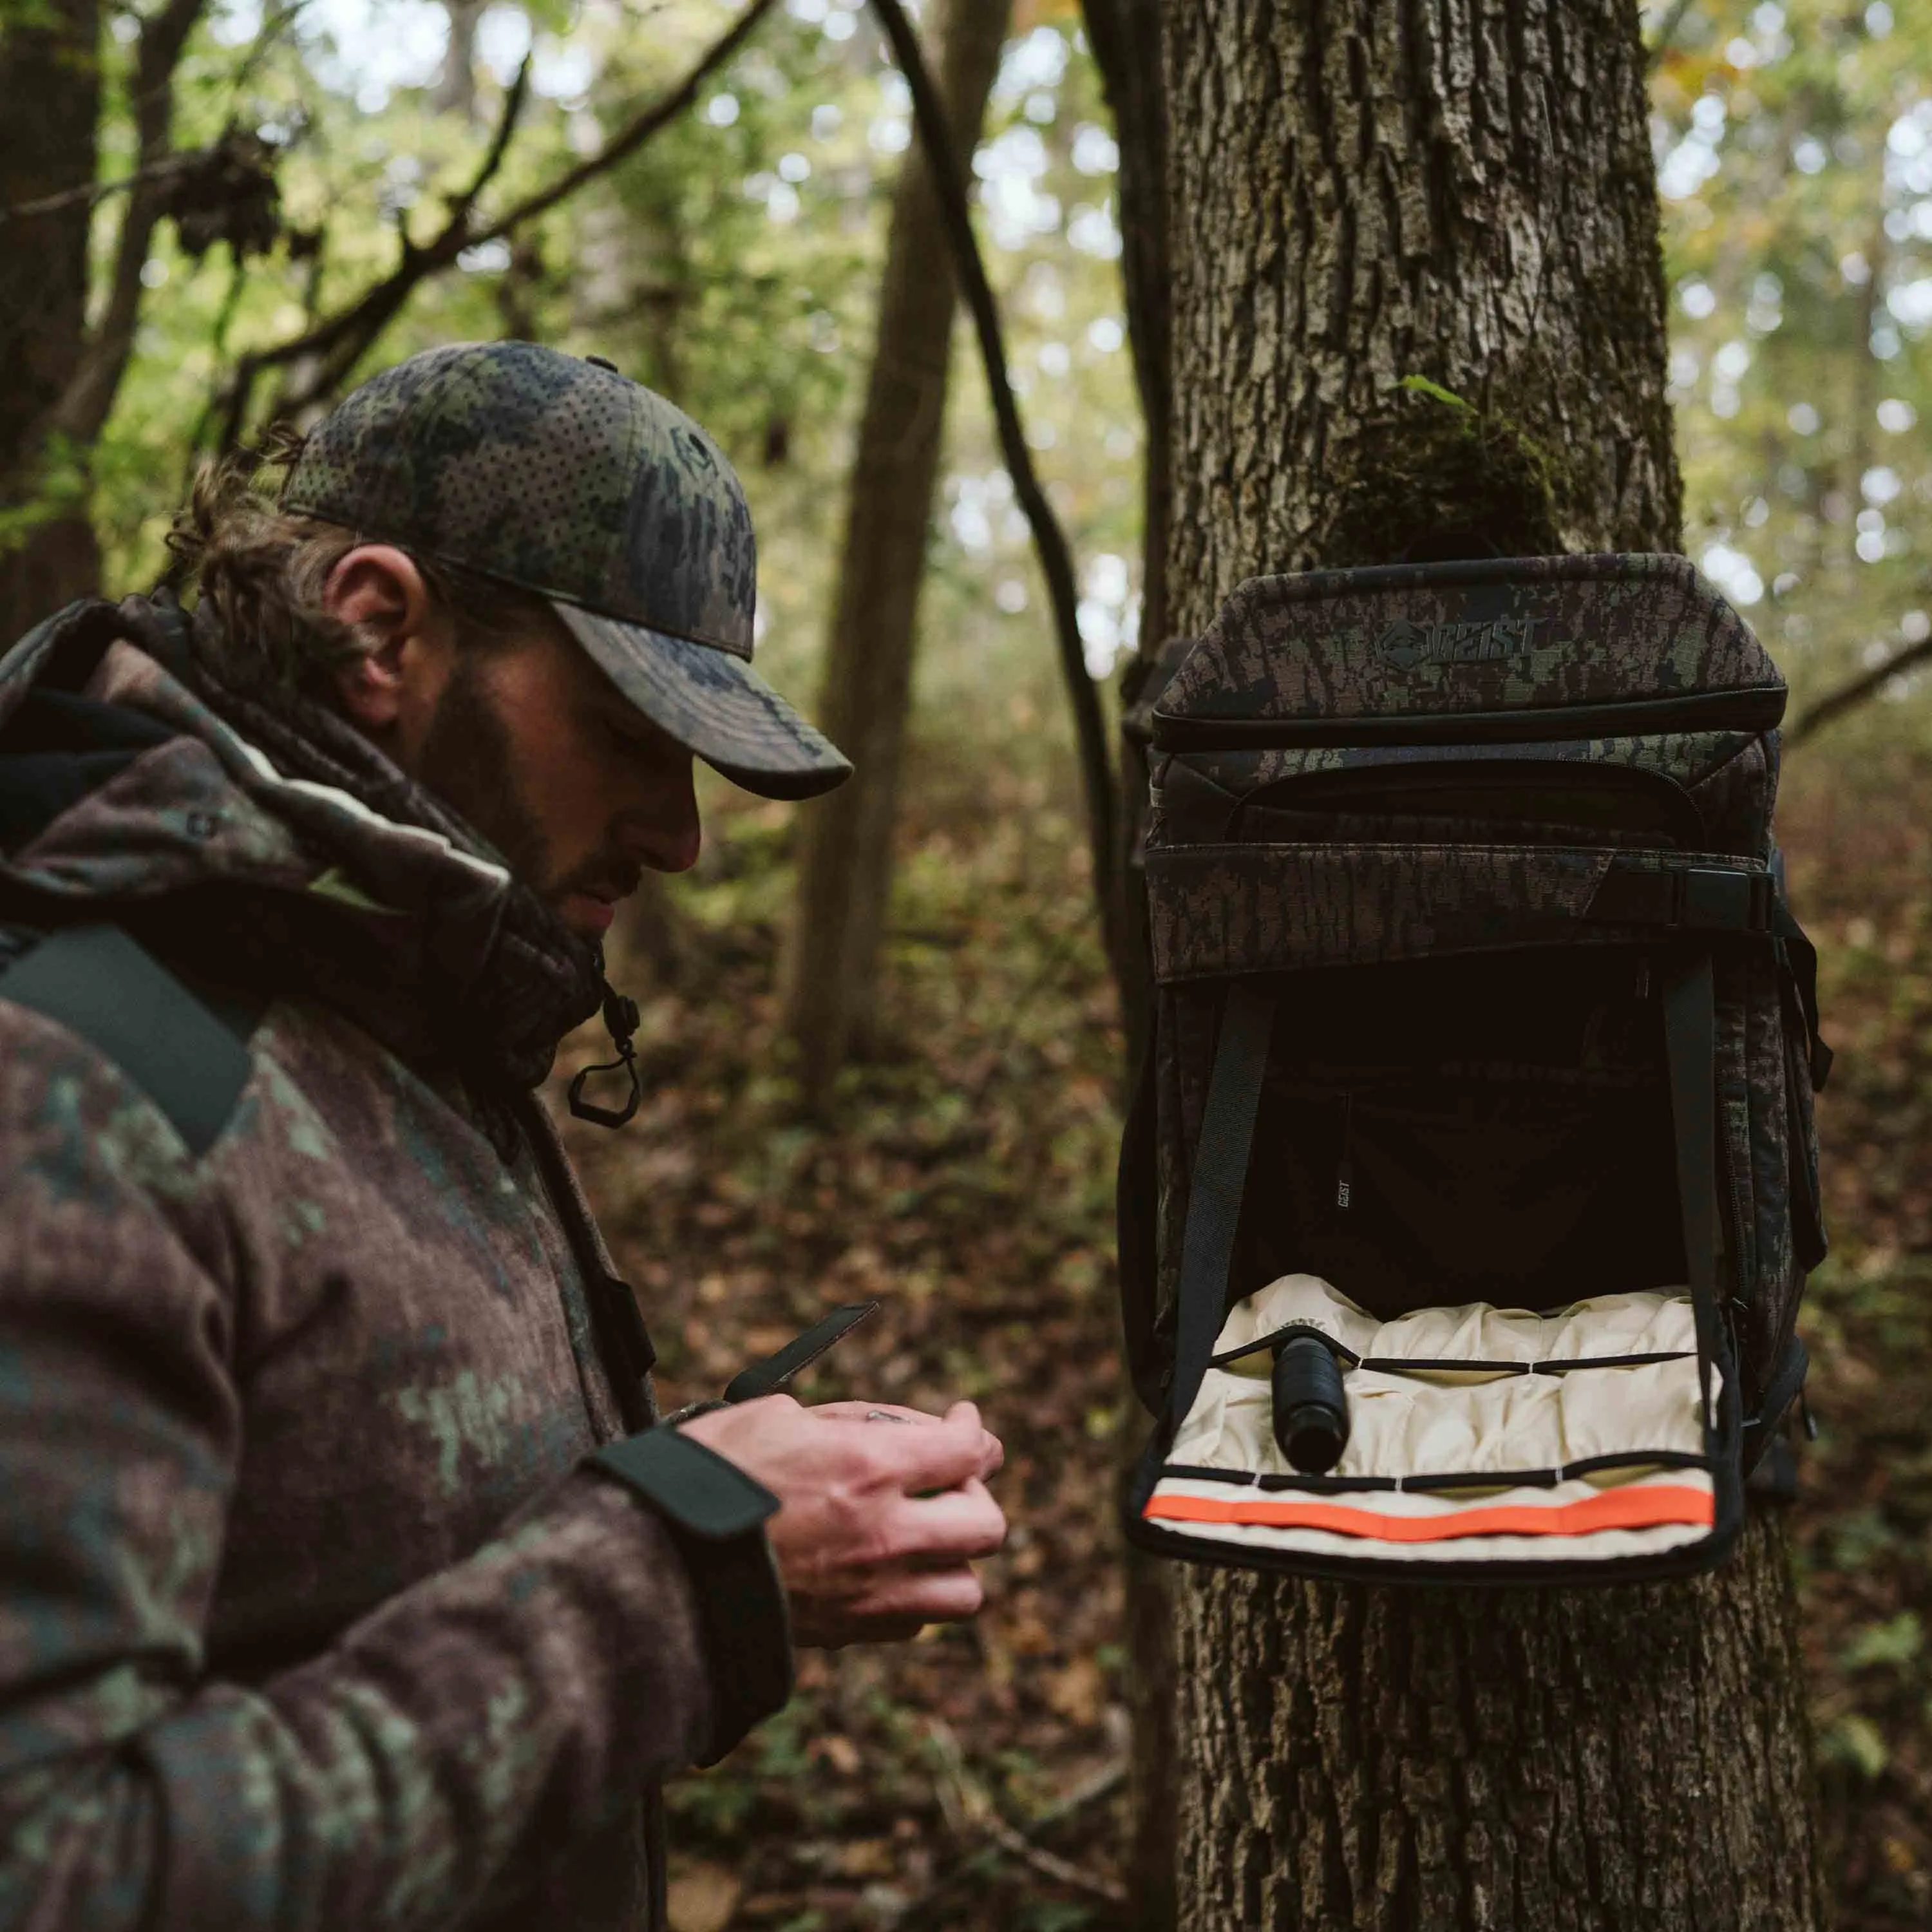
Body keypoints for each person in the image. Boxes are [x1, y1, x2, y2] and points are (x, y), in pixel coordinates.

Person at [0, 341, 1007, 1931]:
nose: (680, 833)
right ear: (380, 625)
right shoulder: (74, 1073)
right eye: (626, 726)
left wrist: (727, 1505)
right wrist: (674, 1586)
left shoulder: (405, 1014)